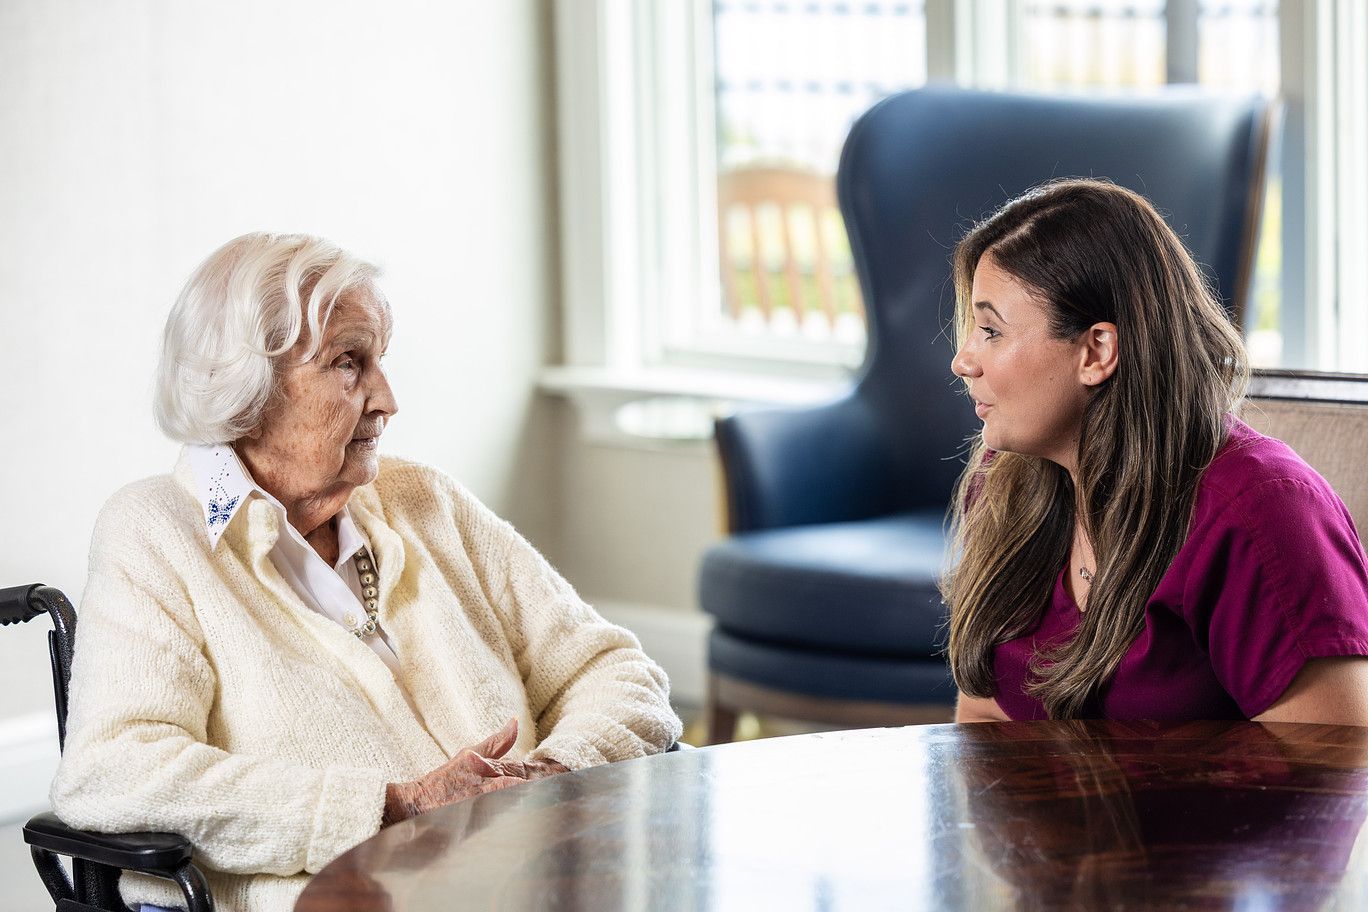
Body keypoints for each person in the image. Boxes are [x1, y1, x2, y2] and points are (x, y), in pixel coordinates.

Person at [50, 232, 683, 912]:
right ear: (245, 386)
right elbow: (113, 770)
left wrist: (551, 778)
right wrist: (391, 809)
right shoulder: (155, 531)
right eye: (350, 363)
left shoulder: (423, 499)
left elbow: (616, 672)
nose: (386, 398)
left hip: (541, 878)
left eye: (379, 361)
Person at [943, 179, 1368, 724]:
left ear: (1096, 350)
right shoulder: (1007, 478)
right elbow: (982, 723)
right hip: (1034, 812)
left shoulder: (1261, 512)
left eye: (990, 330)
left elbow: (1331, 774)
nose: (963, 360)